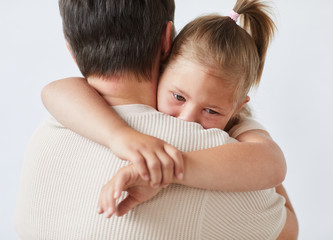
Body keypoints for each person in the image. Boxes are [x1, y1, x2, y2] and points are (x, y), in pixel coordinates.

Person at [14, 0, 297, 239]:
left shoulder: (47, 132)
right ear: (167, 42)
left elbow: (54, 90)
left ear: (71, 52)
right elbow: (289, 228)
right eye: (179, 97)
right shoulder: (212, 156)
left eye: (211, 111)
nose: (188, 121)